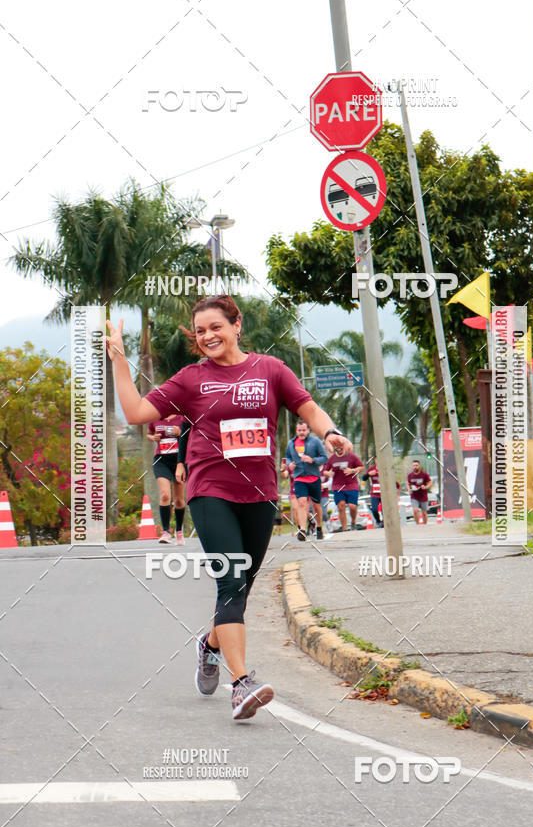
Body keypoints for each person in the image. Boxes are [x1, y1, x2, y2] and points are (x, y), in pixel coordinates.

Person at [106, 295, 352, 721]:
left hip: (259, 495)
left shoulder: (271, 369)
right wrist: (119, 361)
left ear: (237, 325)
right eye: (200, 331)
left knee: (240, 588)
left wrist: (328, 431)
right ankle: (241, 685)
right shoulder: (190, 380)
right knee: (231, 584)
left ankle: (211, 646)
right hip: (209, 491)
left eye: (216, 327)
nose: (207, 337)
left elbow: (306, 406)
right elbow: (135, 411)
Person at [146, 414, 187, 544]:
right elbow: (149, 434)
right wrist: (153, 438)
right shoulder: (155, 418)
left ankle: (179, 531)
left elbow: (191, 436)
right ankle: (166, 532)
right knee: (165, 495)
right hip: (161, 460)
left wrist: (179, 432)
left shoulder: (181, 417)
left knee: (179, 500)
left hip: (179, 461)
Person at [285, 420, 328, 541]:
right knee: (302, 503)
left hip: (314, 478)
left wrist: (313, 460)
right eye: (299, 430)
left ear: (308, 430)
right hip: (299, 478)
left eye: (304, 430)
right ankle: (302, 530)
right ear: (296, 431)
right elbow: (287, 457)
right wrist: (290, 464)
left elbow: (325, 458)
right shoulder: (291, 443)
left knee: (316, 505)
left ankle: (319, 527)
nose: (301, 432)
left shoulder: (316, 442)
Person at [323, 446, 364, 531]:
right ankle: (345, 528)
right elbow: (325, 471)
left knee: (352, 506)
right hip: (337, 486)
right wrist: (329, 473)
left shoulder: (352, 456)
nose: (339, 447)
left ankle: (353, 521)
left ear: (344, 446)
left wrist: (352, 470)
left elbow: (361, 467)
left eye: (341, 445)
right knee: (341, 506)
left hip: (351, 485)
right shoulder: (331, 458)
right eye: (337, 445)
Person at [407, 460, 433, 524]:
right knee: (415, 510)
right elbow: (408, 484)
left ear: (419, 466)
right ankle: (417, 524)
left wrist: (425, 487)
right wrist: (409, 489)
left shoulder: (424, 474)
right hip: (414, 496)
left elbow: (430, 483)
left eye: (416, 465)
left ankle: (425, 525)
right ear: (412, 467)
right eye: (414, 466)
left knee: (424, 512)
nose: (415, 467)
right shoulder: (410, 475)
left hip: (423, 496)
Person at [279, 457, 298, 529]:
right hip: (293, 492)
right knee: (296, 509)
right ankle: (301, 529)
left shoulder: (303, 462)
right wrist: (282, 469)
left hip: (305, 490)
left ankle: (311, 521)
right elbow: (284, 475)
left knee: (304, 511)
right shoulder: (290, 466)